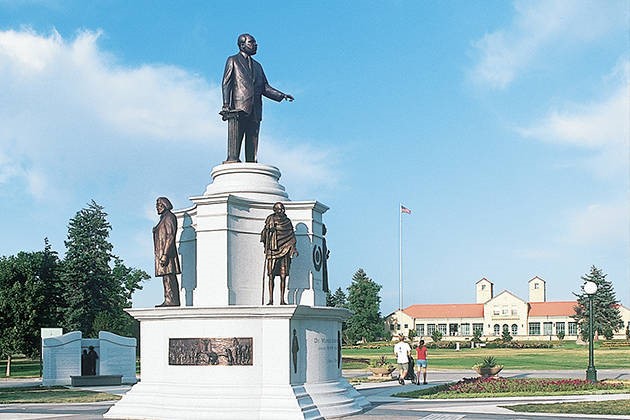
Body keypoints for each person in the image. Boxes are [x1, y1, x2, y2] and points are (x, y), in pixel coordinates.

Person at [221, 33, 294, 163]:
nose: (255, 45)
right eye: (251, 42)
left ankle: (251, 162)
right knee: (236, 136)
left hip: (255, 107)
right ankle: (233, 159)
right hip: (239, 107)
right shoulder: (232, 60)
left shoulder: (258, 66)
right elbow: (226, 83)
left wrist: (281, 95)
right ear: (242, 45)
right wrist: (226, 104)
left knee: (253, 138)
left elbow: (264, 87)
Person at [260, 202, 298, 305]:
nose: (282, 211)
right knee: (271, 275)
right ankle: (271, 300)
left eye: (283, 209)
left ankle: (282, 299)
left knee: (283, 275)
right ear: (275, 210)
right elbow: (263, 235)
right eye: (279, 209)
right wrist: (268, 230)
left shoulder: (287, 221)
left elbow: (291, 235)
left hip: (285, 249)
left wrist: (293, 248)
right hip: (272, 250)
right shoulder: (270, 219)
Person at [153, 196, 181, 307]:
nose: (157, 208)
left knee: (169, 277)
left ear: (165, 205)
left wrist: (165, 254)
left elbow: (170, 236)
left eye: (160, 205)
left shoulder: (169, 217)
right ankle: (168, 299)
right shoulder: (163, 218)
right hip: (162, 254)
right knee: (166, 278)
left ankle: (171, 300)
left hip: (167, 254)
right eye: (157, 206)